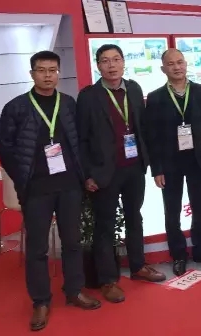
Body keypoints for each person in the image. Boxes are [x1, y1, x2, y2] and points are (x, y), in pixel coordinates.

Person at [0, 51, 100, 332]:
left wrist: (82, 176)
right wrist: (23, 180)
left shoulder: (68, 104)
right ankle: (41, 301)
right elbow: (5, 149)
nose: (47, 75)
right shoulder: (16, 107)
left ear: (58, 73)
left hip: (69, 186)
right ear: (32, 74)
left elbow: (79, 141)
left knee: (72, 242)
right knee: (38, 248)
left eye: (52, 70)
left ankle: (74, 290)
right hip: (37, 189)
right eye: (41, 70)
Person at [77, 44, 165, 305]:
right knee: (104, 226)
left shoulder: (134, 89)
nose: (112, 65)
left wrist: (151, 163)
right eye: (105, 61)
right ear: (98, 66)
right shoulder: (89, 96)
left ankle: (138, 266)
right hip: (105, 172)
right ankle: (107, 280)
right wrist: (87, 175)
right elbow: (81, 139)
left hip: (134, 167)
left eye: (116, 59)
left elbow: (143, 128)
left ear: (124, 62)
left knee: (134, 217)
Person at [145, 49, 201, 276]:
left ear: (186, 64)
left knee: (200, 208)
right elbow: (152, 137)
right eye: (171, 64)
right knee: (172, 211)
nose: (176, 67)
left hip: (198, 160)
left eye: (180, 62)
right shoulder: (156, 97)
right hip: (170, 164)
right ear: (163, 69)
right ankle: (178, 254)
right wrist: (156, 169)